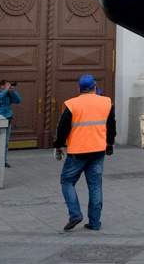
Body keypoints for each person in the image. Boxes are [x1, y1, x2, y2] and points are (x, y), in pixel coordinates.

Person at [54, 74, 115, 232]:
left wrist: (59, 145)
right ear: (95, 87)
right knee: (95, 185)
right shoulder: (106, 102)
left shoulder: (71, 104)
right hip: (98, 150)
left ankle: (75, 214)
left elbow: (63, 129)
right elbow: (111, 126)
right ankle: (94, 222)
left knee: (67, 181)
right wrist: (109, 144)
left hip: (77, 151)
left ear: (79, 89)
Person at [0, 80, 21, 167]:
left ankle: (3, 161)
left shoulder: (9, 93)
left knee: (6, 142)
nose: (6, 87)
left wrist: (12, 92)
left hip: (7, 118)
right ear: (1, 86)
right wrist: (5, 91)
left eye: (7, 85)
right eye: (5, 85)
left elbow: (18, 100)